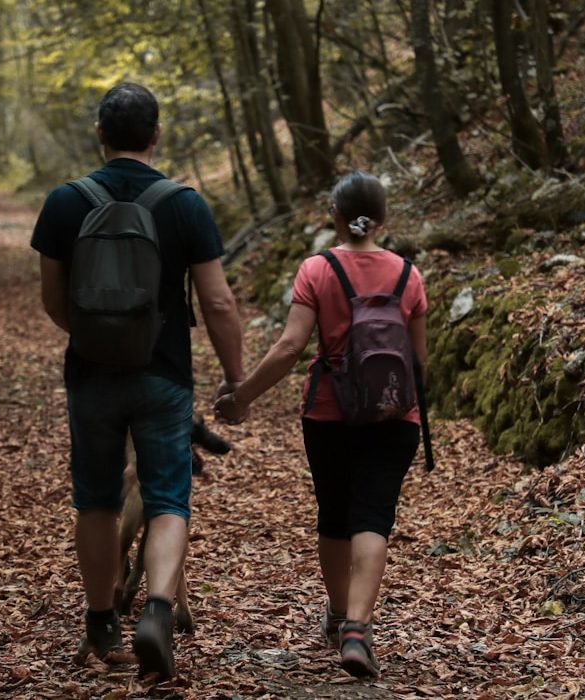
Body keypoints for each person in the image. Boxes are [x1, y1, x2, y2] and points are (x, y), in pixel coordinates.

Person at [31, 82, 244, 680]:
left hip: (90, 377)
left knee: (95, 499)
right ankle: (155, 610)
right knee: (169, 496)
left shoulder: (64, 203)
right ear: (156, 135)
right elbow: (219, 303)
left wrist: (96, 336)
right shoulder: (185, 204)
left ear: (100, 133)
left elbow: (52, 299)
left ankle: (101, 619)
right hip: (165, 377)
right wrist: (235, 380)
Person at [214, 170, 427, 678]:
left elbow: (290, 347)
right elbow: (418, 362)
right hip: (397, 416)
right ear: (383, 219)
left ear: (334, 215)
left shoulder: (317, 269)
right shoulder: (409, 276)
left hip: (329, 412)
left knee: (334, 516)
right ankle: (359, 626)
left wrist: (242, 397)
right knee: (373, 516)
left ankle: (336, 617)